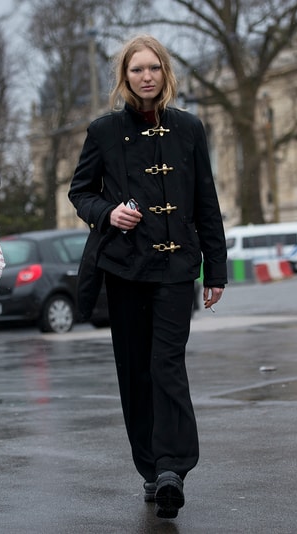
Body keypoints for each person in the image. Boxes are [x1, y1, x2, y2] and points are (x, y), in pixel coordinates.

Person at [68, 35, 227, 519]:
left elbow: (206, 200)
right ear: (125, 76)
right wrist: (108, 212)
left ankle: (173, 469)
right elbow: (80, 192)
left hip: (178, 269)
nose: (146, 76)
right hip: (126, 269)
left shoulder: (189, 129)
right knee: (135, 371)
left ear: (165, 73)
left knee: (167, 365)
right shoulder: (104, 131)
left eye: (154, 67)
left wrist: (214, 269)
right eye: (137, 69)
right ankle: (150, 467)